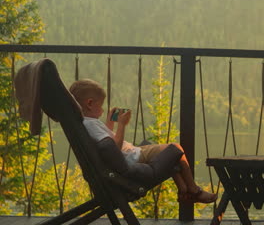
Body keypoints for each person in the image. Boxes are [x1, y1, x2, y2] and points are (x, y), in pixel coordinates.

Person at [69, 79, 217, 204]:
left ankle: (183, 191)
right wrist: (122, 124)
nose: (101, 109)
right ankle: (194, 190)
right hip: (133, 157)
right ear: (89, 103)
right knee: (176, 149)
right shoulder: (91, 124)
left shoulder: (85, 124)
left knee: (170, 157)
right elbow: (113, 148)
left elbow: (106, 144)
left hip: (129, 157)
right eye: (100, 105)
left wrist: (110, 123)